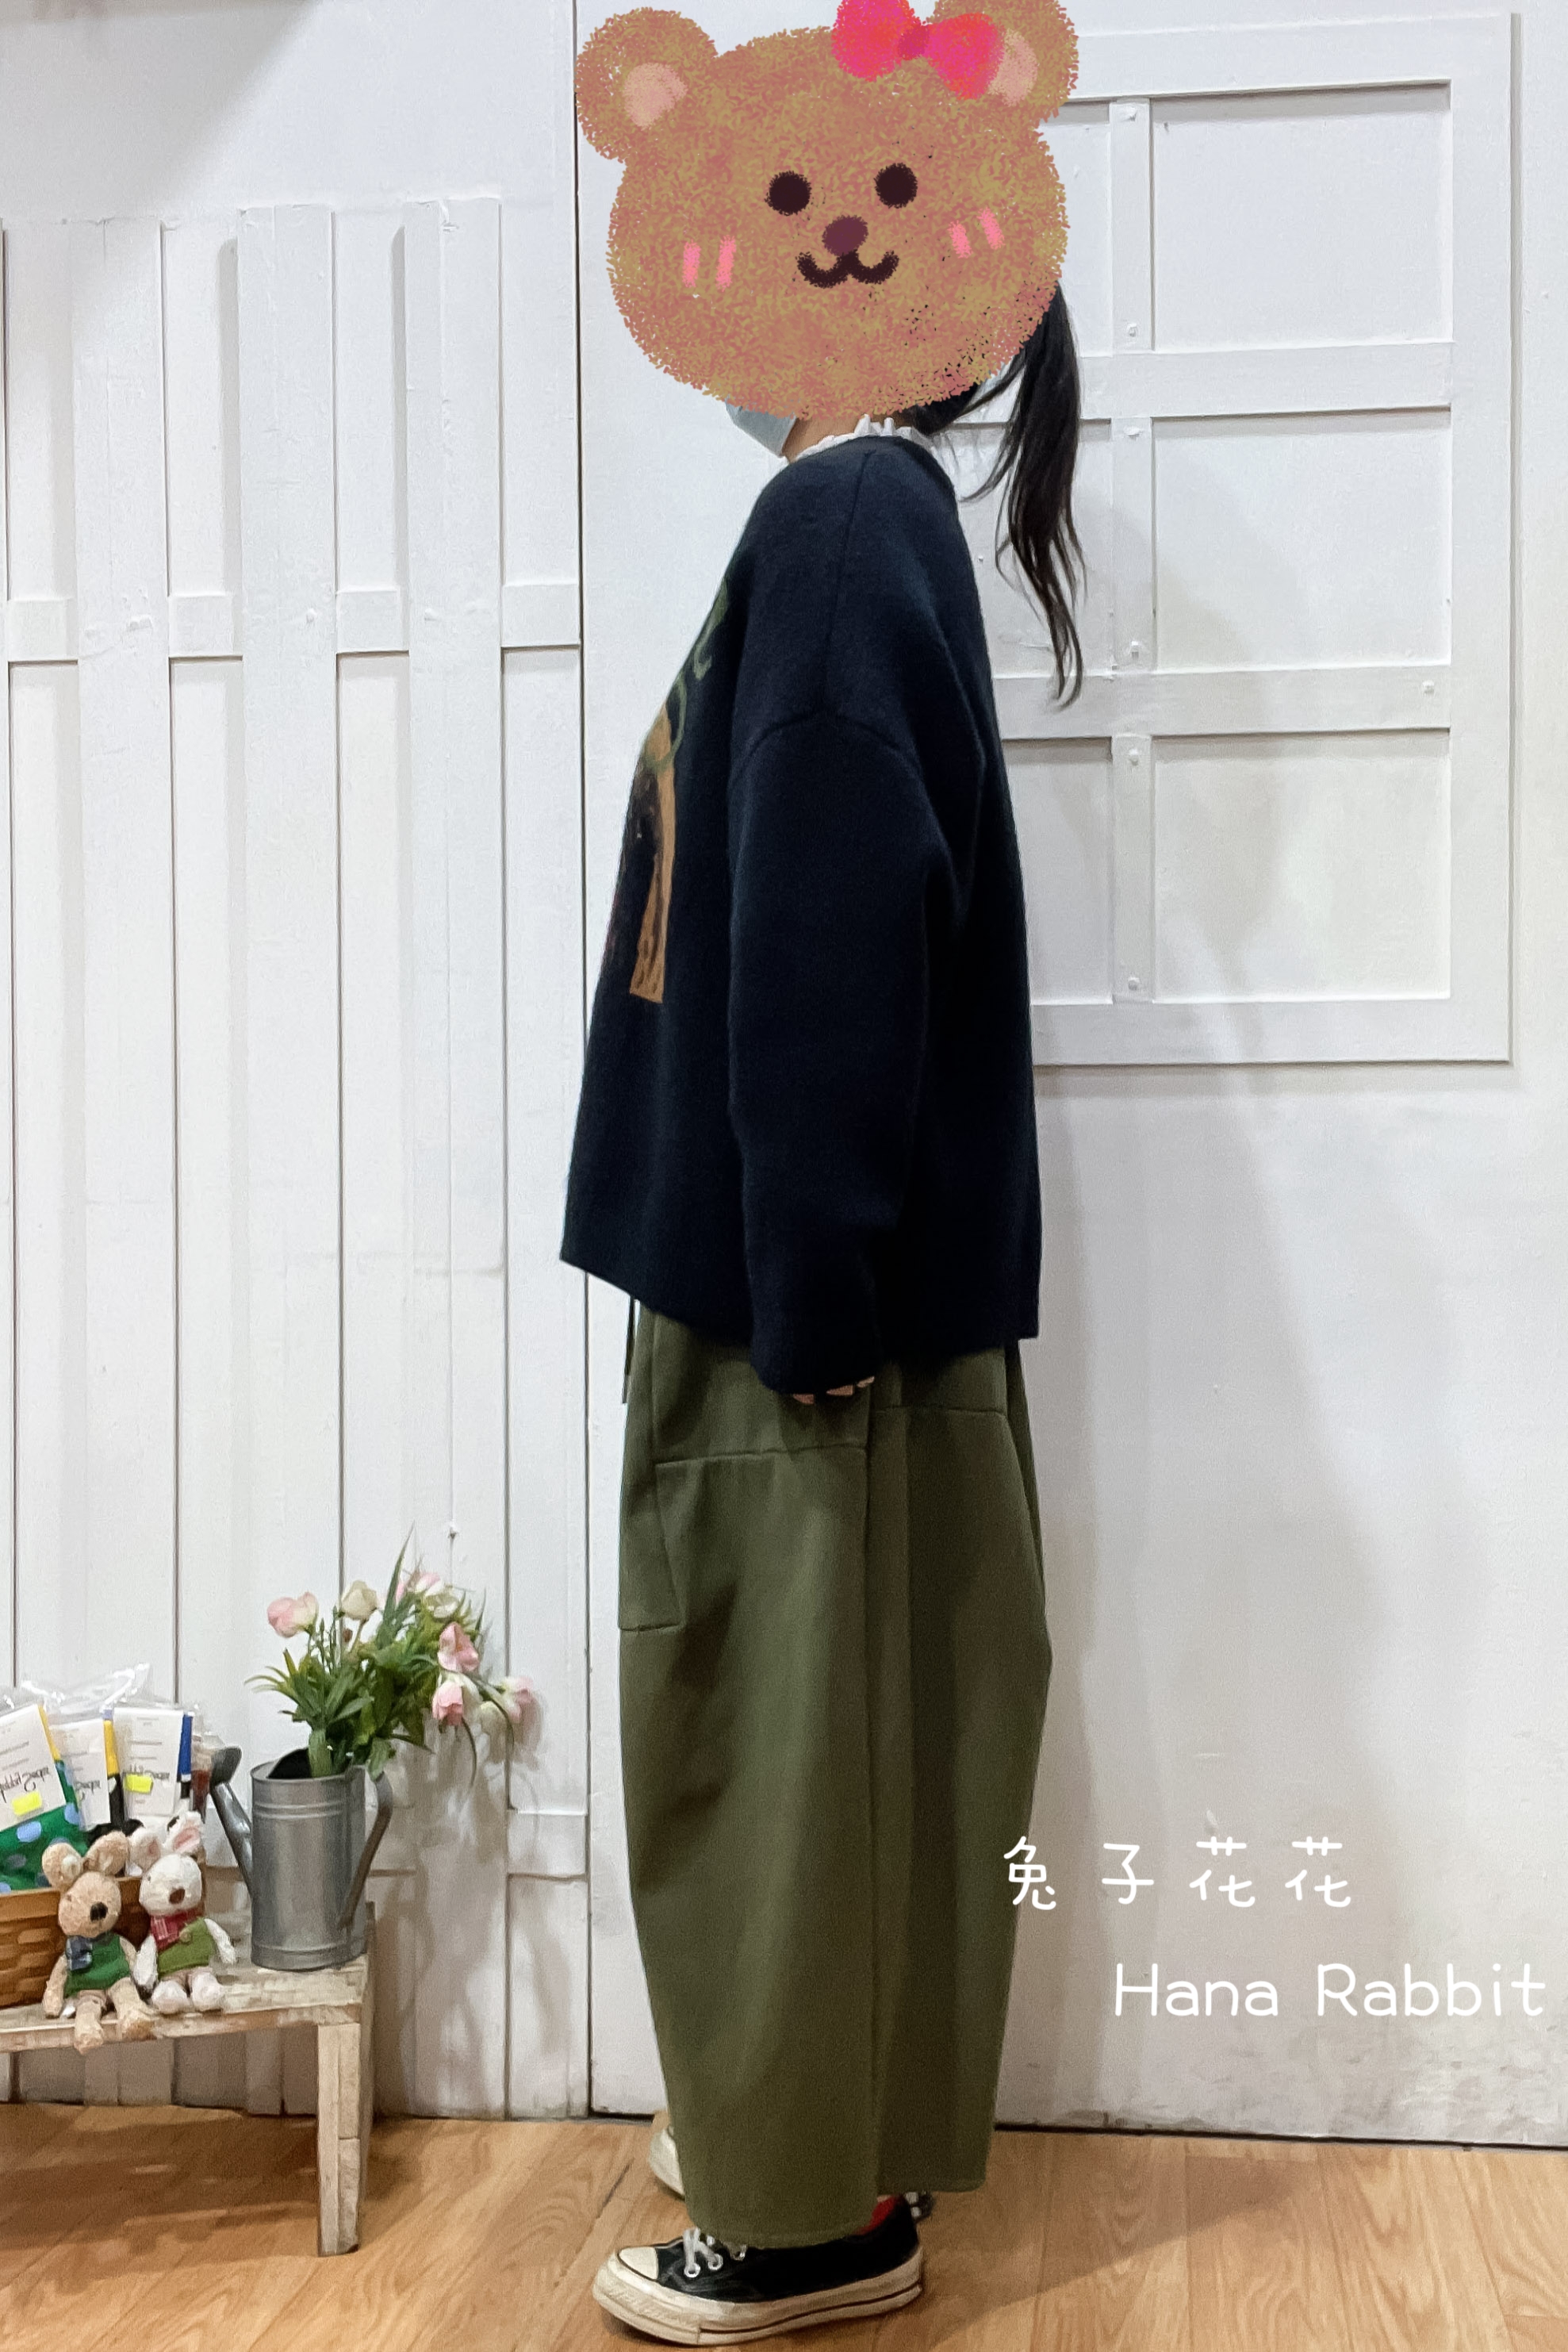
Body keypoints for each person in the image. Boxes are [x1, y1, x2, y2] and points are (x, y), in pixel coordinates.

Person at [559, 286, 1084, 2342]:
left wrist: (811, 1285)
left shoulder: (841, 519)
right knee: (846, 1752)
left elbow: (836, 906)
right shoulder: (868, 518)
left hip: (803, 1307)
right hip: (823, 1281)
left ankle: (807, 2224)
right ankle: (810, 2143)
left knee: (775, 1768)